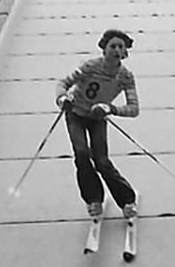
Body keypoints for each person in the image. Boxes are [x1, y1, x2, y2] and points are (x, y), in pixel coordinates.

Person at [54, 29, 140, 221]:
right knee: (82, 154)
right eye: (112, 46)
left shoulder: (125, 76)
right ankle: (93, 198)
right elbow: (64, 83)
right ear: (104, 48)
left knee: (101, 161)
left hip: (97, 118)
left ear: (125, 52)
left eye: (120, 47)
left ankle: (127, 200)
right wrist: (62, 98)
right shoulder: (90, 66)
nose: (116, 51)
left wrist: (110, 109)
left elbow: (134, 108)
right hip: (76, 114)